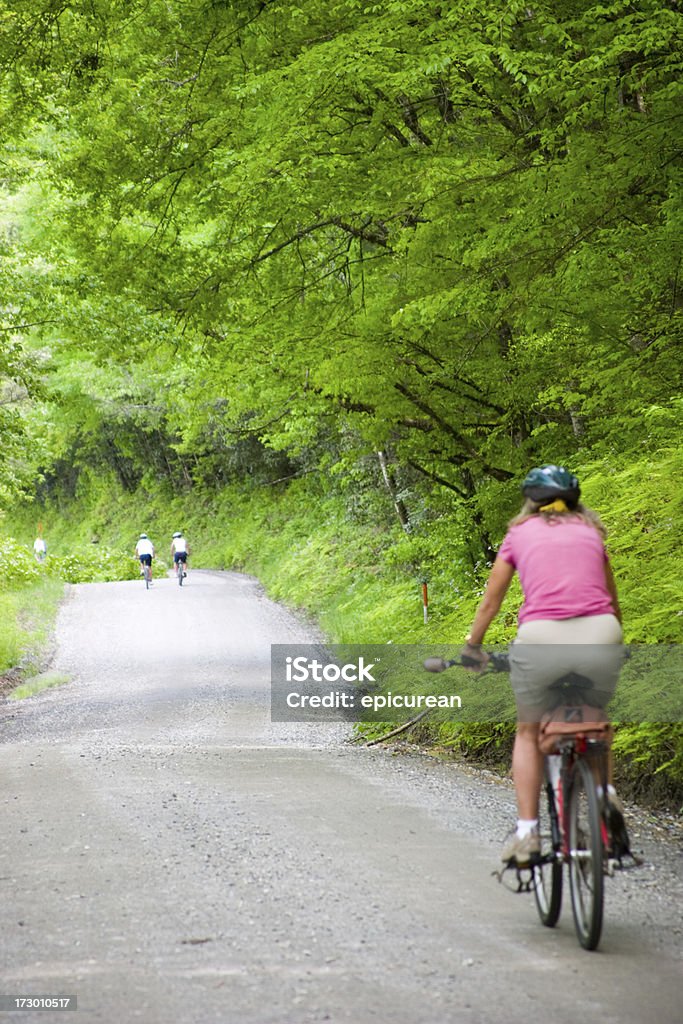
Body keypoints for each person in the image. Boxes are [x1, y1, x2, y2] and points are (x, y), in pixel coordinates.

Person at [462, 464, 625, 866]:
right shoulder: (591, 533)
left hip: (542, 640)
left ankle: (528, 832)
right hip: (601, 635)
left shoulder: (519, 534)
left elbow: (491, 602)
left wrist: (473, 647)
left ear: (529, 502)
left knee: (528, 730)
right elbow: (611, 599)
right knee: (597, 717)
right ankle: (605, 797)